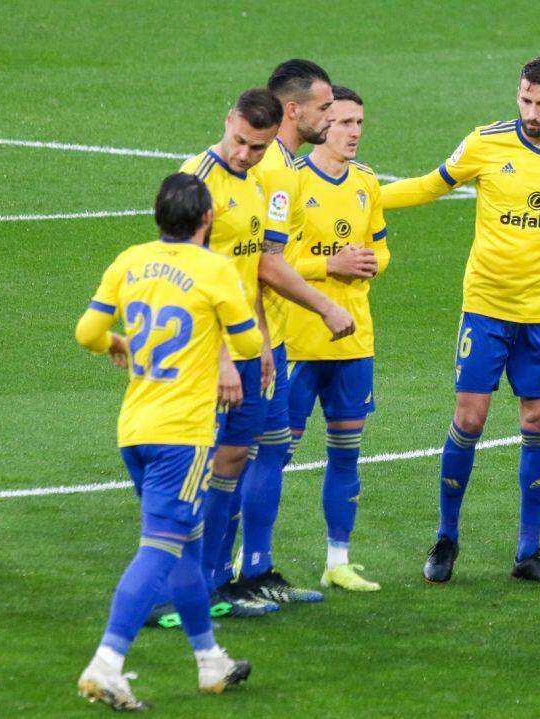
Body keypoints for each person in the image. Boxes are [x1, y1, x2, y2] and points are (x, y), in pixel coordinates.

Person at [382, 52, 540, 584]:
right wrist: (362, 198)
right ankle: (446, 538)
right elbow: (430, 185)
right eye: (525, 100)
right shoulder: (485, 142)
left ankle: (528, 551)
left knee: (539, 422)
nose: (531, 112)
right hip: (486, 307)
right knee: (470, 419)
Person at [74, 173, 260, 709]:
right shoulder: (215, 269)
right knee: (158, 548)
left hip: (135, 428)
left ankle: (210, 661)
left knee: (186, 544)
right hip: (183, 437)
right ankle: (106, 664)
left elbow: (87, 333)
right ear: (208, 220)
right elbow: (249, 342)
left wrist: (118, 342)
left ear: (158, 216)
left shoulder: (129, 261)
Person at [178, 88, 353, 618]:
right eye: (240, 141)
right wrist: (223, 358)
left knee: (238, 458)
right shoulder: (197, 181)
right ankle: (186, 588)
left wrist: (261, 341)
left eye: (257, 147)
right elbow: (190, 279)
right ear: (227, 120)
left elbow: (250, 269)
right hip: (206, 352)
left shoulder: (257, 183)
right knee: (197, 469)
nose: (244, 154)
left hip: (249, 348)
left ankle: (226, 580)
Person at [230, 59, 341, 605]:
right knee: (238, 455)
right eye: (325, 107)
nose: (332, 116)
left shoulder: (284, 165)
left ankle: (256, 568)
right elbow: (265, 264)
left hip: (262, 332)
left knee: (269, 448)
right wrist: (325, 306)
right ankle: (222, 577)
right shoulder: (274, 170)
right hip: (241, 336)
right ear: (293, 109)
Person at [285, 85, 389, 591]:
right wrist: (331, 264)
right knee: (273, 457)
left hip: (354, 343)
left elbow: (381, 248)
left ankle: (337, 561)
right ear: (323, 123)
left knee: (346, 453)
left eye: (359, 124)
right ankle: (246, 559)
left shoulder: (366, 182)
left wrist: (369, 262)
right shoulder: (293, 180)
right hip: (298, 342)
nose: (354, 133)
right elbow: (275, 260)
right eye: (345, 122)